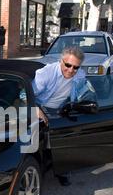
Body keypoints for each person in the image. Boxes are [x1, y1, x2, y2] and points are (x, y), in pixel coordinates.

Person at [32, 46, 86, 186]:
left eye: (76, 67)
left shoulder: (80, 74)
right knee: (39, 140)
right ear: (61, 61)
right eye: (68, 65)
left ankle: (62, 170)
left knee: (66, 135)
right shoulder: (46, 72)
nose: (71, 70)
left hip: (61, 109)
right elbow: (24, 95)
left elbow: (82, 94)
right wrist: (35, 109)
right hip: (40, 106)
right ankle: (39, 166)